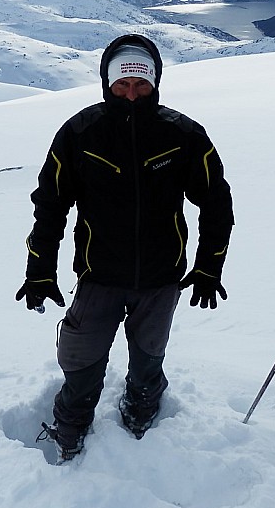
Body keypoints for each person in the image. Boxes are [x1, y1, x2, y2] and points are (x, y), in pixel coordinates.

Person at [16, 33, 234, 460]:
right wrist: (39, 269)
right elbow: (50, 206)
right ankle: (69, 429)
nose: (131, 94)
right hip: (99, 275)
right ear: (107, 83)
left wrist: (210, 267)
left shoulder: (184, 135)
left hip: (161, 278)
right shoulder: (81, 133)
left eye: (141, 84)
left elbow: (217, 203)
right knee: (80, 361)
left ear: (155, 84)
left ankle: (140, 418)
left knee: (148, 361)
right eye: (122, 84)